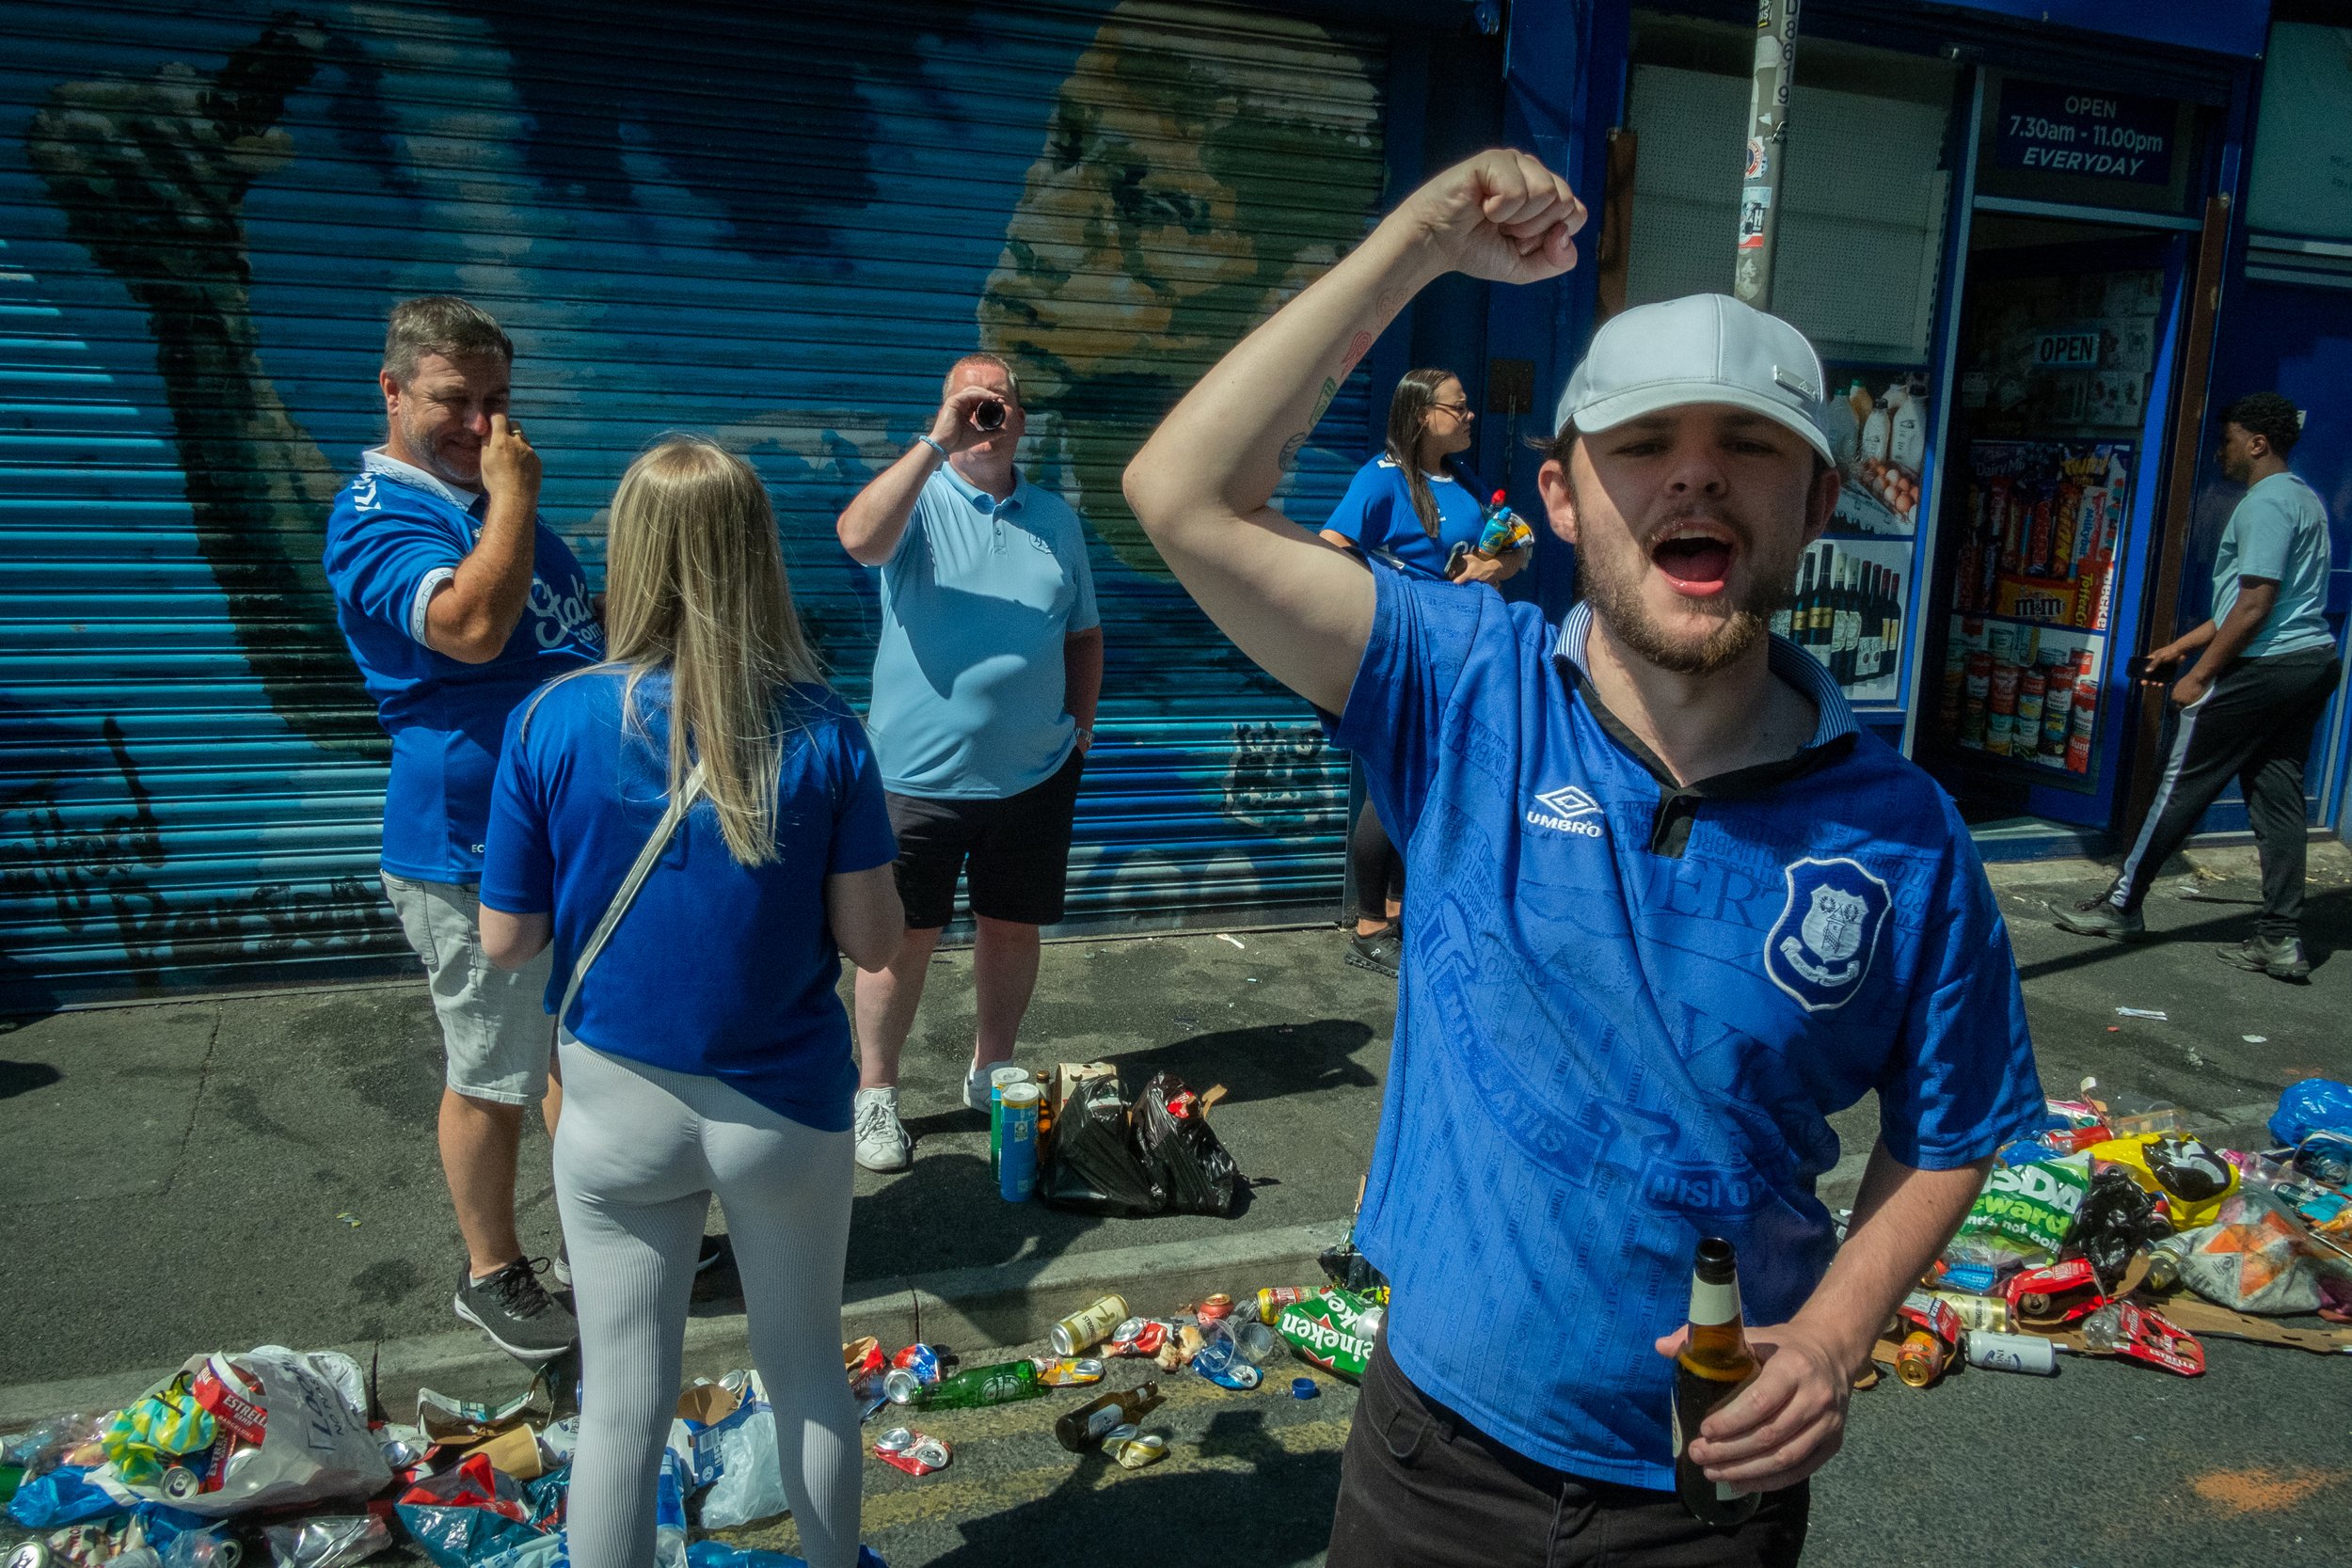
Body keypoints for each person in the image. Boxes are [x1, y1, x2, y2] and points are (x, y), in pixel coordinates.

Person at [1123, 150, 2043, 1567]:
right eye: (1644, 442)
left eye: (1748, 445)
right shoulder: (1458, 685)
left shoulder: (1906, 833)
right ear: (1561, 495)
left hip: (1706, 1490)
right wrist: (1419, 243)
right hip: (1432, 1454)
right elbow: (1181, 492)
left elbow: (1956, 1119)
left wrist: (1836, 1333)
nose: (1695, 471)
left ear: (1815, 503)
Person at [478, 437, 900, 1568]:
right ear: (757, 555)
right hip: (783, 1109)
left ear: (628, 553)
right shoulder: (821, 728)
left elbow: (507, 939)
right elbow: (872, 943)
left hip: (615, 1109)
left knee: (623, 1404)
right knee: (807, 1371)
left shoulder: (549, 720)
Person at [323, 295, 602, 1359]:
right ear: (391, 391)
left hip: (565, 833)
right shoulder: (382, 513)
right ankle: (493, 1270)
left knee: (574, 1050)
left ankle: (594, 1228)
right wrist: (515, 499)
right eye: (453, 399)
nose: (482, 424)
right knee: (492, 1063)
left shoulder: (482, 500)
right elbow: (475, 629)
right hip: (469, 843)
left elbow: (562, 630)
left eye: (497, 401)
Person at [834, 353, 1103, 1173]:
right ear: (946, 412)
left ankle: (992, 1067)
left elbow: (1083, 632)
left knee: (1012, 928)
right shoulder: (919, 500)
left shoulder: (1055, 516)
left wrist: (1078, 733)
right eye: (969, 404)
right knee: (896, 943)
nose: (987, 417)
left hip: (1032, 775)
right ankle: (875, 1093)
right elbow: (857, 537)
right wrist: (933, 440)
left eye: (1000, 406)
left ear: (1022, 421)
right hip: (916, 780)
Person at [2052, 392, 2340, 980]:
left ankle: (2121, 907)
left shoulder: (2262, 505)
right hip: (2310, 662)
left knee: (2178, 784)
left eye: (2228, 440)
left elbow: (2255, 605)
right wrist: (2180, 647)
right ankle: (2280, 939)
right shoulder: (2303, 498)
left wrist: (2200, 674)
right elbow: (2250, 600)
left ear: (2258, 443)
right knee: (2279, 796)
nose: (2220, 453)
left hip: (2262, 667)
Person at [1320, 367, 1531, 975]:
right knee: (1388, 783)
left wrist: (1501, 565)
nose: (1470, 417)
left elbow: (1518, 541)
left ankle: (1404, 912)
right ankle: (1367, 925)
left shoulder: (1462, 479)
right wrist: (1388, 602)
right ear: (1420, 415)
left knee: (1432, 784)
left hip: (1459, 660)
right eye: (1458, 407)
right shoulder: (1382, 480)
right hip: (1405, 659)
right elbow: (1331, 548)